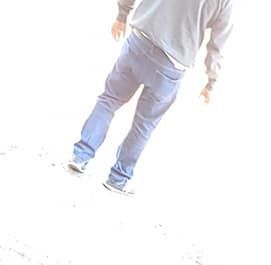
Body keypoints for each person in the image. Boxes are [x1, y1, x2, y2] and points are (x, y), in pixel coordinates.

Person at [68, 0, 233, 193]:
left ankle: (80, 156)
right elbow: (217, 44)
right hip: (171, 65)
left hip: (139, 42)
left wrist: (122, 16)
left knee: (109, 100)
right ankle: (117, 179)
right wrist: (211, 80)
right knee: (144, 125)